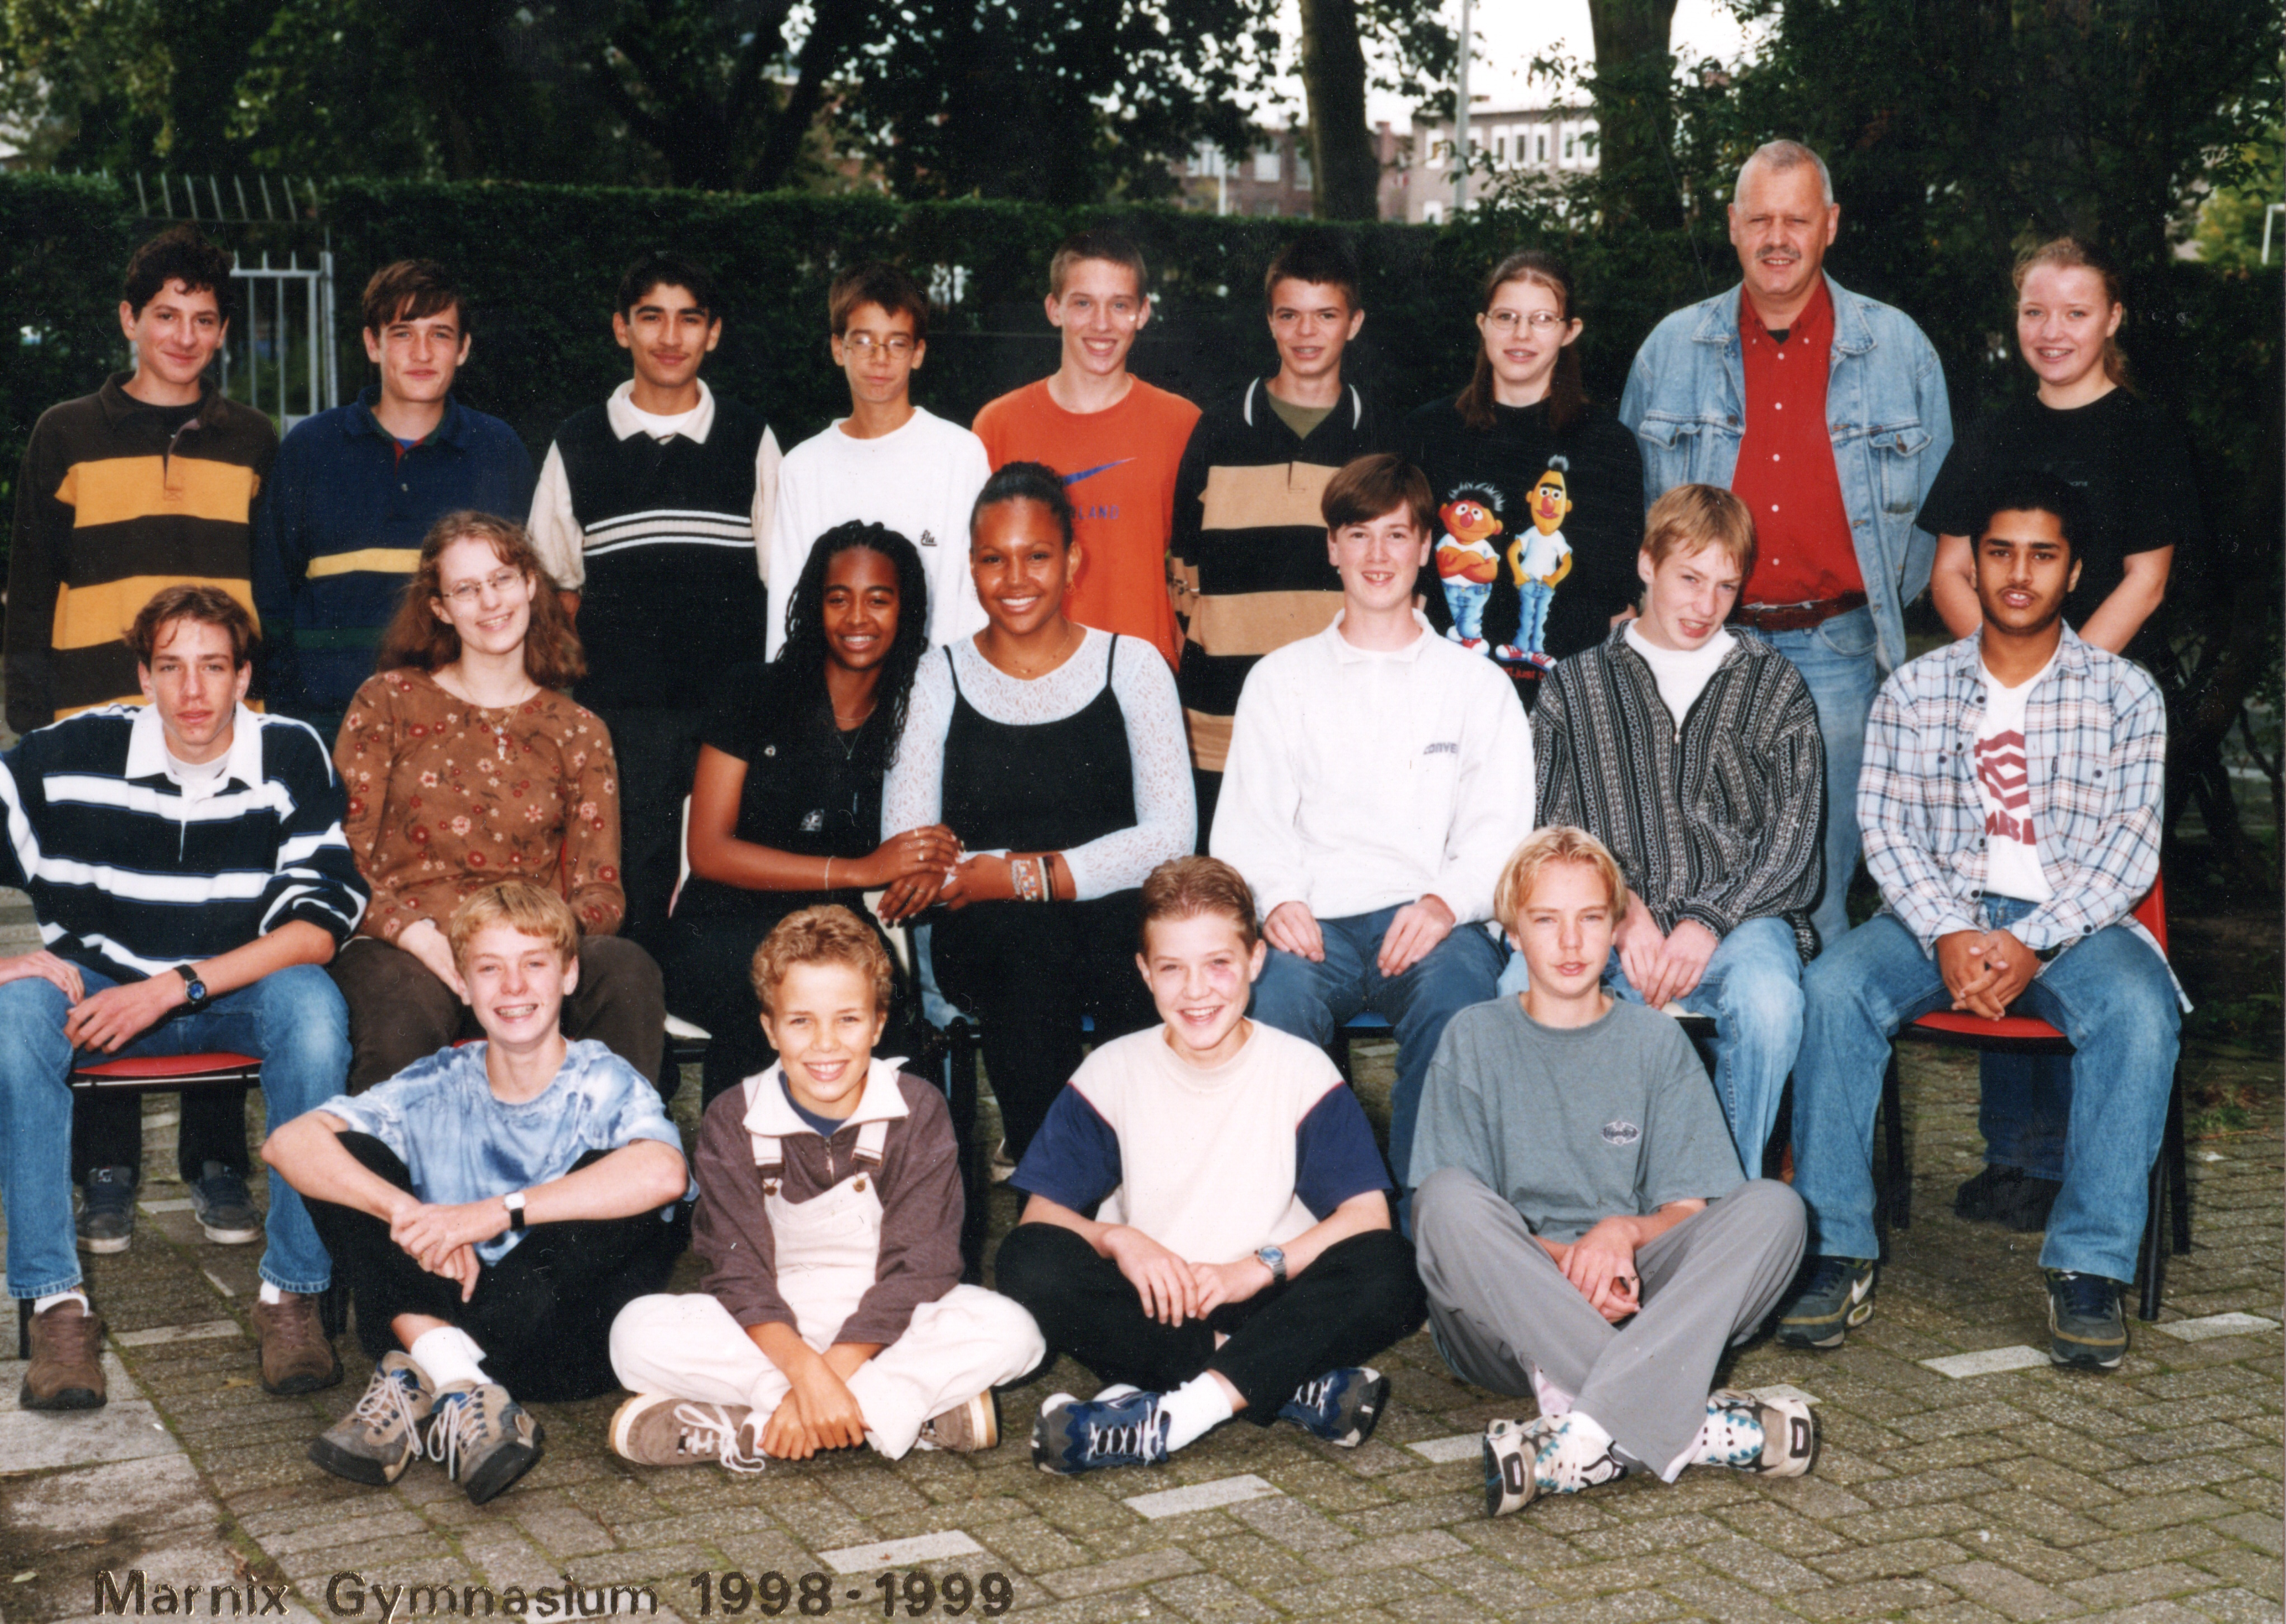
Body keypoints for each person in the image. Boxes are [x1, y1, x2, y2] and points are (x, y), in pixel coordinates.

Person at [1778, 473, 2185, 1372]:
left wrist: (2035, 935)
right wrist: (1946, 929)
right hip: (1937, 915)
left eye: (2041, 555)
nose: (2017, 573)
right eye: (1998, 551)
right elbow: (1883, 827)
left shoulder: (2124, 695)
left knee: (2140, 1011)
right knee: (1830, 987)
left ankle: (2086, 1268)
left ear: (2073, 571)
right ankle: (1835, 1249)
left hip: (2077, 927)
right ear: (1972, 563)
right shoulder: (1915, 688)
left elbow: (2130, 846)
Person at [1, 586, 363, 1409]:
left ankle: (293, 1294)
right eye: (170, 668)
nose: (192, 693)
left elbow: (316, 930)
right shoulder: (74, 753)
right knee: (14, 1017)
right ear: (143, 674)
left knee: (313, 1009)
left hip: (230, 987)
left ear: (244, 679)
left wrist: (176, 985)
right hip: (95, 992)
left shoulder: (289, 752)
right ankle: (56, 1305)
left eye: (212, 667)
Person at [1915, 237, 2206, 1234]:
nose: (2053, 332)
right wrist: (2000, 663)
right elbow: (1951, 568)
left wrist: (2058, 680)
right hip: (1984, 701)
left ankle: (2085, 1164)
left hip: (2104, 713)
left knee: (2080, 919)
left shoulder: (2143, 434)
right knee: (1993, 893)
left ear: (2110, 319)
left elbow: (2146, 577)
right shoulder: (1994, 430)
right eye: (2035, 312)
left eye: (2074, 313)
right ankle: (2016, 1157)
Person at [6, 226, 281, 1247]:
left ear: (222, 333)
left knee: (219, 927)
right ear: (129, 320)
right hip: (92, 728)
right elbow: (31, 581)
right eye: (164, 314)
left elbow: (270, 593)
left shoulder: (255, 440)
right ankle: (104, 1167)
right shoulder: (64, 431)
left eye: (204, 319)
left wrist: (261, 724)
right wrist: (34, 721)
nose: (184, 334)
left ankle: (215, 1159)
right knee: (93, 940)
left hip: (220, 739)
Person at [1409, 825, 1815, 1517]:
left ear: (1616, 926)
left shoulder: (1654, 1039)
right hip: (1508, 1314)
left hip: (1637, 1293)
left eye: (1590, 919)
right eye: (1546, 920)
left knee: (1775, 1211)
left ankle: (1585, 1435)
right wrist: (1571, 1267)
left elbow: (1687, 1212)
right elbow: (1455, 1228)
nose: (1570, 943)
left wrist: (1618, 1237)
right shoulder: (1472, 1036)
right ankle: (1689, 1422)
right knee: (1440, 1201)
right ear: (1512, 933)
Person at [1620, 140, 1953, 955]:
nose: (1778, 237)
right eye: (1759, 219)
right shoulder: (1669, 350)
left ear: (1829, 225)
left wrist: (1869, 604)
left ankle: (1819, 1086)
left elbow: (1939, 517)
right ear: (1731, 227)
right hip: (1698, 656)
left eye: (1796, 219)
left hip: (1836, 656)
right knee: (1685, 889)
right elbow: (1631, 507)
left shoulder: (1897, 348)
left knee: (1821, 897)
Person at [994, 856, 1424, 1474]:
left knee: (1389, 1269)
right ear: (1144, 972)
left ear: (1254, 959)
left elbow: (1366, 1215)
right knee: (1027, 1259)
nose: (1197, 991)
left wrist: (1253, 1271)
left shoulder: (1298, 1069)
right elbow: (1042, 1217)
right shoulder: (1112, 1070)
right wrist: (1119, 1240)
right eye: (1172, 968)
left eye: (1218, 964)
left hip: (1267, 1294)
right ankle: (1279, 1380)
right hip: (1153, 1301)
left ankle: (1170, 1417)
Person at [265, 882, 690, 1503]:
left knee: (618, 1177)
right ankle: (460, 1383)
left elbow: (664, 1174)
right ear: (461, 986)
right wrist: (407, 1211)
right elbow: (287, 1144)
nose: (513, 988)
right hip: (462, 1306)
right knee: (347, 1158)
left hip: (562, 1342)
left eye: (534, 965)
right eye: (489, 969)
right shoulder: (439, 1078)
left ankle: (423, 1369)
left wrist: (488, 1216)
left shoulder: (599, 1077)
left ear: (569, 976)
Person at [608, 906, 1044, 1470]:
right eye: (800, 1021)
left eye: (847, 1020)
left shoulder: (916, 1108)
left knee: (1015, 1331)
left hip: (891, 1320)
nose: (825, 1045)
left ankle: (765, 1426)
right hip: (773, 1323)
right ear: (769, 1027)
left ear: (879, 1023)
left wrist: (827, 1372)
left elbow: (926, 1266)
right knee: (633, 1332)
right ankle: (892, 1414)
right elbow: (735, 1272)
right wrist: (803, 1374)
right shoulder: (731, 1116)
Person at [1211, 454, 1532, 1219]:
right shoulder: (1280, 679)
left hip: (1430, 916)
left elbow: (1502, 829)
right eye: (1359, 535)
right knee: (1270, 1002)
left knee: (1457, 999)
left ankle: (1430, 1219)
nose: (1378, 556)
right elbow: (1247, 823)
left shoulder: (1474, 684)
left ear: (1427, 546)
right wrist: (1277, 898)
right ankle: (1328, 1214)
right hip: (1312, 921)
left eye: (1397, 535)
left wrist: (1444, 903)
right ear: (1332, 547)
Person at [879, 463, 1193, 1164]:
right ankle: (1050, 1176)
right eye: (994, 559)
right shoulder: (936, 675)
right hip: (989, 932)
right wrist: (991, 885)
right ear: (970, 566)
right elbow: (908, 842)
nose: (1015, 578)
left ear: (1072, 560)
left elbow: (1170, 835)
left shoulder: (1133, 666)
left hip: (1111, 919)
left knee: (1136, 955)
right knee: (1026, 956)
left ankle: (1143, 1169)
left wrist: (1016, 874)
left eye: (1037, 556)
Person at [1528, 485, 1825, 1174]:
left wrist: (1707, 921)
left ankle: (1724, 1196)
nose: (1704, 605)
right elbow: (1548, 826)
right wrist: (1623, 914)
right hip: (1603, 916)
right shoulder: (1574, 685)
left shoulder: (1771, 683)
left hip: (1739, 920)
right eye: (1688, 579)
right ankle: (1564, 1194)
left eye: (1725, 586)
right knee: (1518, 982)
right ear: (1645, 565)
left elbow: (1794, 838)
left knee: (1771, 1004)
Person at [330, 512, 668, 1095]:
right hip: (409, 946)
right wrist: (421, 939)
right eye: (465, 588)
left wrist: (536, 952)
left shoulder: (578, 729)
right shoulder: (388, 701)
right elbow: (340, 858)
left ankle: (610, 1171)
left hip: (532, 947)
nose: (489, 601)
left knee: (626, 972)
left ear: (532, 584)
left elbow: (601, 889)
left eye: (503, 579)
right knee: (402, 1013)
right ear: (439, 608)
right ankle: (387, 1182)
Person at [528, 252, 781, 955]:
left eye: (689, 319)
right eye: (651, 317)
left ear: (714, 333)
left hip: (726, 715)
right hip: (621, 715)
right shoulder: (578, 442)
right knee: (630, 879)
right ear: (621, 329)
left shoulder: (749, 439)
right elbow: (554, 591)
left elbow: (780, 578)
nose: (670, 337)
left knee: (728, 878)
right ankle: (644, 1050)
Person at [664, 522, 956, 1107]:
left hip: (833, 925)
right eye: (837, 598)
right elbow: (709, 850)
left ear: (907, 609)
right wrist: (855, 870)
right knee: (776, 1000)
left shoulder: (914, 715)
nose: (856, 618)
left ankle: (882, 1191)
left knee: (890, 1034)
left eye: (879, 599)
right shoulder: (755, 691)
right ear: (813, 606)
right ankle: (740, 1188)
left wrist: (930, 858)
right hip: (722, 921)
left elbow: (935, 830)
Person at [1170, 232, 1398, 837]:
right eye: (1289, 315)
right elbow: (1182, 570)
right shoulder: (1216, 430)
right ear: (1269, 322)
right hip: (1221, 720)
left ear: (1353, 324)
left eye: (1325, 315)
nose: (1306, 333)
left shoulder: (1380, 437)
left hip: (1339, 726)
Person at [253, 259, 534, 742]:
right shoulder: (311, 448)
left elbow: (523, 596)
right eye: (403, 332)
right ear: (372, 344)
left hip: (465, 731)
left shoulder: (497, 449)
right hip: (328, 726)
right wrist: (288, 718)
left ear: (463, 348)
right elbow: (272, 594)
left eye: (440, 334)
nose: (422, 352)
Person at [1405, 250, 1643, 684]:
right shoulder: (1429, 433)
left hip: (1566, 702)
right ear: (1482, 325)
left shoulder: (1608, 445)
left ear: (1570, 332)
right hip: (1449, 695)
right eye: (1506, 317)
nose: (1521, 334)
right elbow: (1412, 593)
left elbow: (1618, 607)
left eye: (1542, 319)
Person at [971, 230, 1200, 669]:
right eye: (1082, 303)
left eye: (1119, 304)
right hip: (1029, 676)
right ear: (1054, 309)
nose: (1101, 323)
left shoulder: (1182, 424)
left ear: (1143, 313)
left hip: (1142, 677)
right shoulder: (997, 425)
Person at [763, 262, 987, 660]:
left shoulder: (960, 453)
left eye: (897, 343)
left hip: (939, 691)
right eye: (863, 341)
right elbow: (788, 604)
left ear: (917, 353)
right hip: (833, 701)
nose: (880, 359)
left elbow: (972, 596)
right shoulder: (802, 467)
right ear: (838, 348)